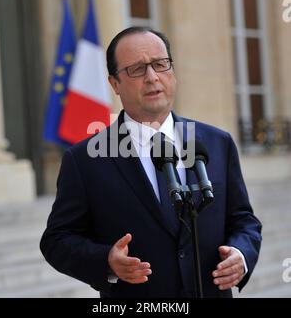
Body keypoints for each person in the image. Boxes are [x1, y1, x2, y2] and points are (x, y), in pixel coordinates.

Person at [40, 26, 262, 298]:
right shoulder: (85, 159)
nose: (152, 77)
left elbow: (244, 220)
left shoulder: (217, 143)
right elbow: (57, 241)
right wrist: (106, 260)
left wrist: (241, 254)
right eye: (136, 69)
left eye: (160, 64)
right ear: (114, 84)